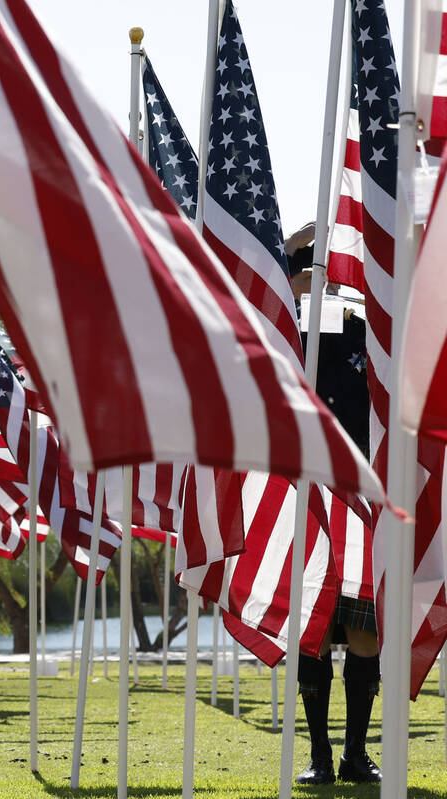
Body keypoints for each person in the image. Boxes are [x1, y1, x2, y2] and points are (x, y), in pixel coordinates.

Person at [286, 226, 382, 785]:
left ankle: (355, 754)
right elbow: (270, 272)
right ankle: (320, 756)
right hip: (311, 492)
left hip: (367, 493)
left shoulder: (373, 331)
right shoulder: (293, 329)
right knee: (316, 627)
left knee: (366, 632)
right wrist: (312, 238)